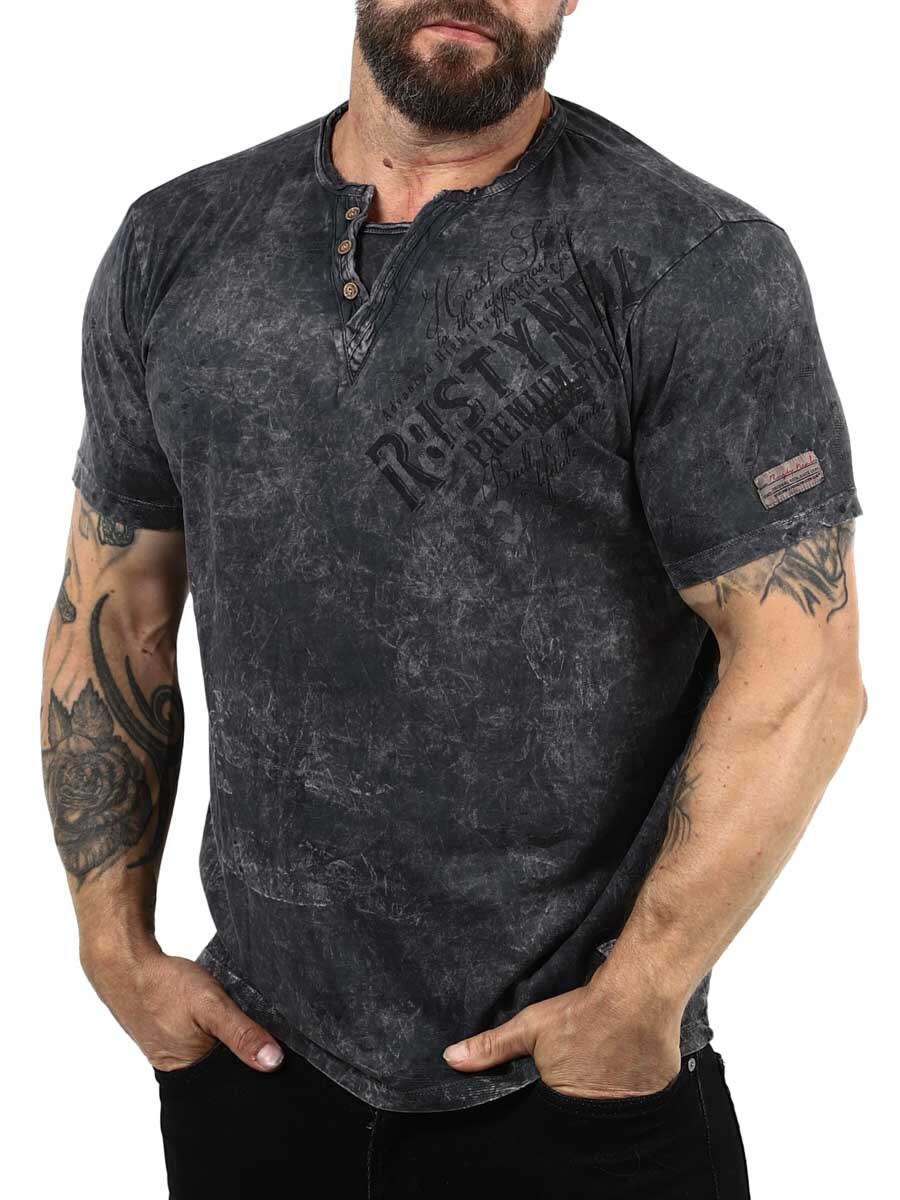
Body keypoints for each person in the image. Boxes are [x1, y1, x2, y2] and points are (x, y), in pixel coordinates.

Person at [40, 1, 867, 1196]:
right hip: (255, 1065)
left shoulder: (692, 261)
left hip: (577, 1086)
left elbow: (803, 670)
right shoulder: (177, 242)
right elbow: (115, 601)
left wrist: (637, 1001)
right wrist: (113, 946)